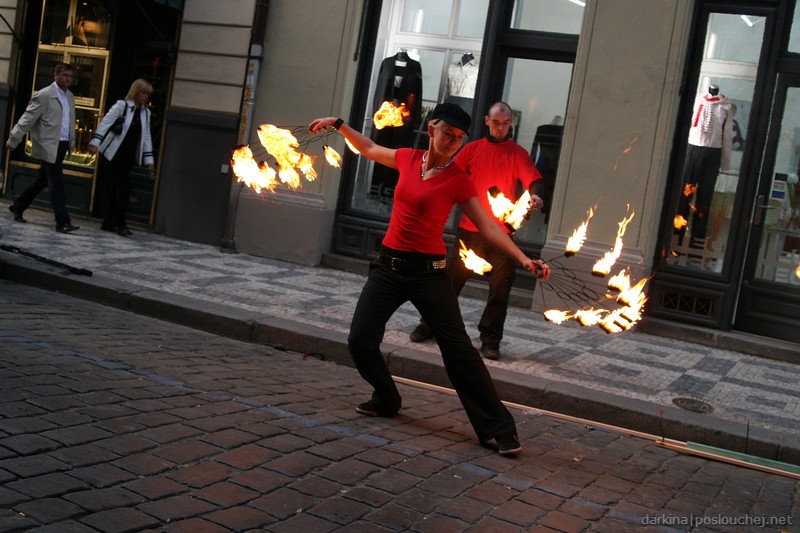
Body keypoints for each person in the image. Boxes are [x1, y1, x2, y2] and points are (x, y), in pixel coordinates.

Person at [308, 104, 550, 456]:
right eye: (448, 134)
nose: (453, 142)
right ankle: (387, 399)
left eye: (459, 138)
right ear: (432, 127)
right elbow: (371, 148)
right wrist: (340, 125)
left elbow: (488, 226)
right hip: (388, 268)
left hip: (429, 275)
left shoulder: (457, 180)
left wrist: (524, 258)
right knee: (360, 340)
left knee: (459, 354)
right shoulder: (408, 158)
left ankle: (499, 429)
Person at [409, 101, 545, 360]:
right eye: (496, 122)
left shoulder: (517, 153)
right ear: (487, 121)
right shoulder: (472, 149)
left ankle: (490, 340)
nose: (501, 127)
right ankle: (429, 326)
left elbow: (534, 180)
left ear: (511, 124)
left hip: (501, 236)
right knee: (448, 284)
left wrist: (536, 196)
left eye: (506, 123)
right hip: (469, 233)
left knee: (500, 291)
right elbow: (449, 175)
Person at [6, 62, 79, 233]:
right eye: (64, 75)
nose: (68, 79)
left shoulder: (70, 97)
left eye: (70, 76)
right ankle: (62, 222)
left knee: (43, 180)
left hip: (61, 145)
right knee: (56, 182)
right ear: (56, 76)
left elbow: (68, 122)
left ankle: (18, 206)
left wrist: (71, 143)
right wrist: (13, 139)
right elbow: (27, 119)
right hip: (48, 145)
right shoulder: (44, 95)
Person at [88, 79, 155, 237]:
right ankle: (120, 223)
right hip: (114, 153)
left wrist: (149, 160)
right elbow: (105, 123)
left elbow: (146, 137)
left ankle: (107, 222)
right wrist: (94, 143)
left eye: (147, 94)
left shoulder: (146, 113)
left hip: (129, 155)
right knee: (124, 188)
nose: (145, 97)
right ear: (136, 92)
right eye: (143, 93)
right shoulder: (122, 106)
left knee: (116, 188)